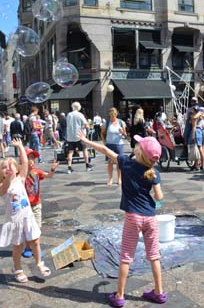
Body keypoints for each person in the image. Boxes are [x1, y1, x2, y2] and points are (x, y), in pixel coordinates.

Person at [77, 130, 167, 307]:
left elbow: (104, 149)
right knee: (154, 256)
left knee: (126, 256)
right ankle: (159, 293)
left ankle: (119, 296)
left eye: (138, 145)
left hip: (133, 218)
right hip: (150, 218)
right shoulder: (154, 172)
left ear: (139, 152)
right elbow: (159, 197)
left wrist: (86, 140)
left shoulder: (126, 163)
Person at [0, 139, 51, 283]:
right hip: (15, 221)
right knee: (18, 247)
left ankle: (39, 263)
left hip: (28, 217)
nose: (8, 168)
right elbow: (6, 185)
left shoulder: (21, 179)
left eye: (11, 166)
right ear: (1, 173)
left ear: (17, 168)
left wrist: (21, 147)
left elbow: (25, 163)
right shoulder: (4, 185)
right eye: (4, 167)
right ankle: (18, 269)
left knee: (35, 241)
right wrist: (8, 176)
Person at [22, 148, 59, 258]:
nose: (31, 161)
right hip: (25, 206)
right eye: (29, 158)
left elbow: (49, 176)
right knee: (28, 228)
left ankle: (36, 247)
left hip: (36, 204)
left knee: (37, 228)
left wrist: (52, 170)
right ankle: (28, 247)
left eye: (33, 158)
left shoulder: (37, 172)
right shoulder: (21, 173)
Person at [102, 107, 127, 185]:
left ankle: (119, 179)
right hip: (109, 144)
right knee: (110, 162)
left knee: (119, 162)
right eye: (111, 115)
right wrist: (104, 142)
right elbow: (102, 133)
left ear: (116, 114)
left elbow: (125, 135)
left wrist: (123, 132)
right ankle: (110, 179)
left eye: (114, 115)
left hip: (119, 144)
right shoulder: (106, 123)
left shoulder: (121, 122)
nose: (113, 116)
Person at [66, 102, 93, 174]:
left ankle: (69, 167)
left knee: (70, 151)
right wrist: (84, 127)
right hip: (79, 135)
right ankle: (87, 165)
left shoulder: (69, 114)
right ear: (79, 107)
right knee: (84, 149)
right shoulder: (80, 115)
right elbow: (86, 125)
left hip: (70, 136)